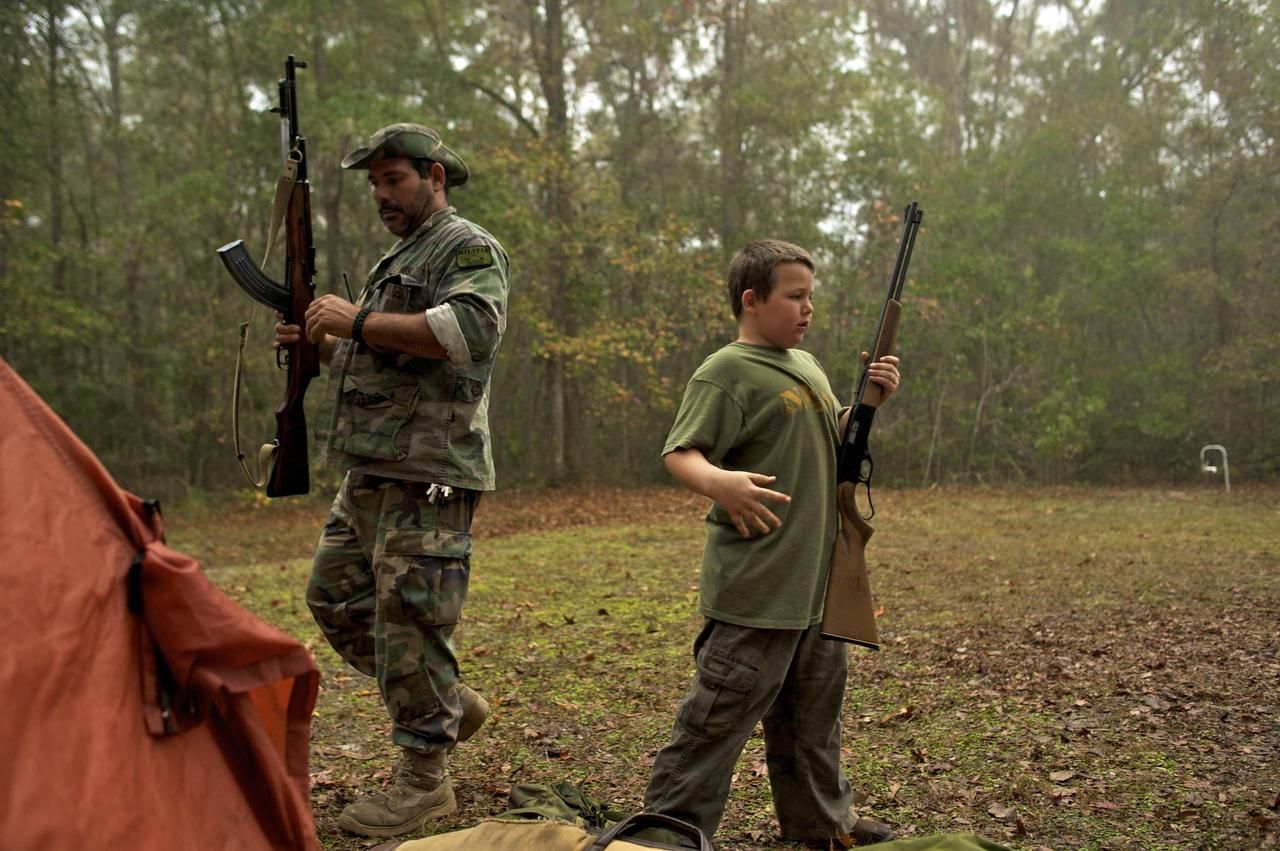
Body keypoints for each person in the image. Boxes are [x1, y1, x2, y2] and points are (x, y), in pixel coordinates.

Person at [274, 123, 510, 838]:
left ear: (434, 176)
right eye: (374, 183)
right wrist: (326, 338)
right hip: (373, 467)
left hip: (429, 469)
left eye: (394, 179)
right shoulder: (396, 256)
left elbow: (469, 329)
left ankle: (424, 784)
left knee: (412, 619)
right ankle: (446, 704)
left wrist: (360, 319)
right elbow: (382, 349)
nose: (382, 194)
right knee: (335, 597)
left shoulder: (466, 245)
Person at [642, 239, 901, 848]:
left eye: (811, 297)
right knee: (717, 717)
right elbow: (680, 453)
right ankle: (665, 833)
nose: (808, 309)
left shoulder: (805, 365)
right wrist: (720, 484)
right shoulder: (726, 371)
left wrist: (867, 403)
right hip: (758, 588)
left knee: (813, 716)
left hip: (813, 585)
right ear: (752, 300)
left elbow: (831, 439)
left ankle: (822, 824)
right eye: (795, 296)